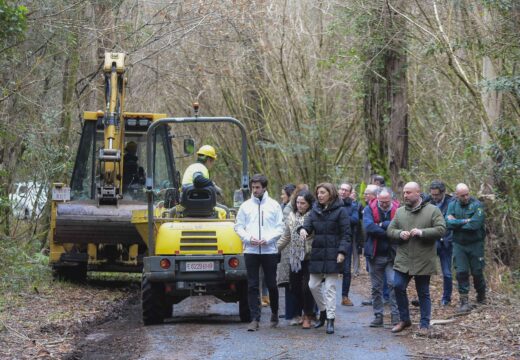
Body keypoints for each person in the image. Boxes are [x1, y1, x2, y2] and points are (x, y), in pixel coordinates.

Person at [387, 182, 446, 335]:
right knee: (398, 286)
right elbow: (390, 230)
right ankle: (405, 320)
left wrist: (422, 232)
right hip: (404, 259)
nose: (405, 195)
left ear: (418, 193)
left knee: (423, 292)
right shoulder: (400, 212)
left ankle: (424, 324)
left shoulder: (433, 210)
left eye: (408, 192)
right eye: (404, 192)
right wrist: (399, 234)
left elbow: (441, 229)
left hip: (423, 259)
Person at [234, 174, 284, 331]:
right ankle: (255, 318)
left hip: (269, 250)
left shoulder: (274, 205)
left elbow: (280, 227)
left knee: (271, 284)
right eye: (252, 187)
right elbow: (238, 226)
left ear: (264, 188)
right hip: (251, 250)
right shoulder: (245, 206)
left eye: (257, 187)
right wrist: (248, 238)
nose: (254, 190)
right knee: (252, 285)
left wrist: (268, 239)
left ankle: (274, 313)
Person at [299, 183, 351, 335]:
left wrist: (342, 252)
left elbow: (346, 234)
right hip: (318, 254)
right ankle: (323, 311)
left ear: (331, 193)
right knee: (313, 285)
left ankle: (330, 320)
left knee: (330, 288)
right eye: (318, 193)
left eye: (323, 192)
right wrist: (302, 230)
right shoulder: (314, 210)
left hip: (334, 255)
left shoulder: (341, 211)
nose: (320, 195)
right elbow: (307, 226)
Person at [277, 190, 316, 329]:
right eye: (298, 202)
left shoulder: (314, 216)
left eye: (303, 203)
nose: (299, 205)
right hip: (294, 258)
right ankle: (298, 314)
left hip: (309, 256)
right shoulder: (292, 216)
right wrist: (276, 249)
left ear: (309, 204)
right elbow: (286, 236)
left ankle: (308, 316)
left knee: (307, 287)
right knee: (295, 287)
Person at [445, 183, 486, 313]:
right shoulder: (452, 205)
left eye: (467, 194)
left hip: (475, 244)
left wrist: (456, 222)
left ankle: (481, 294)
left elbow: (475, 225)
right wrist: (464, 221)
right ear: (457, 195)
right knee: (461, 272)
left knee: (477, 272)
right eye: (462, 195)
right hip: (459, 244)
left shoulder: (477, 205)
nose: (466, 197)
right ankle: (464, 301)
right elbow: (448, 223)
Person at [363, 187, 400, 327]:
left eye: (386, 202)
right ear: (377, 198)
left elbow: (401, 226)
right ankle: (378, 316)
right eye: (381, 201)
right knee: (376, 287)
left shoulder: (398, 209)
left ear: (391, 199)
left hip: (392, 254)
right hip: (374, 254)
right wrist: (389, 232)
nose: (384, 204)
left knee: (393, 284)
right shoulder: (369, 209)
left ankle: (395, 316)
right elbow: (369, 227)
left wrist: (381, 224)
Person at [428, 180, 454, 306]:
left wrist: (448, 238)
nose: (434, 197)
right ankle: (424, 296)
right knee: (424, 269)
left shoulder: (452, 203)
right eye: (432, 194)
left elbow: (452, 223)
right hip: (431, 241)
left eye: (437, 195)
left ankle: (446, 298)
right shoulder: (428, 201)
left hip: (446, 243)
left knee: (447, 273)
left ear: (443, 192)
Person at [277, 183, 298, 323]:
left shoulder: (287, 210)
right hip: (287, 249)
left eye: (283, 193)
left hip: (290, 250)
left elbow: (286, 232)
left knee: (291, 283)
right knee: (290, 283)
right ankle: (291, 313)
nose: (281, 196)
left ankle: (293, 314)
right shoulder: (285, 208)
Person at [338, 182, 359, 306]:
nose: (343, 191)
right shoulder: (332, 203)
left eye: (346, 190)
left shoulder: (353, 205)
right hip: (332, 240)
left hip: (347, 240)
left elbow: (355, 220)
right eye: (341, 189)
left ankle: (345, 296)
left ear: (350, 193)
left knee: (346, 270)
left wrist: (341, 219)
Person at [360, 184, 379, 306]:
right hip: (368, 244)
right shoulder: (367, 207)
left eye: (367, 193)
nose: (364, 195)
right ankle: (375, 298)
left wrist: (380, 226)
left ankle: (380, 299)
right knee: (372, 273)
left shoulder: (375, 207)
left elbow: (371, 227)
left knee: (378, 274)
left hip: (376, 246)